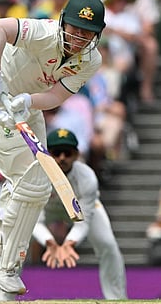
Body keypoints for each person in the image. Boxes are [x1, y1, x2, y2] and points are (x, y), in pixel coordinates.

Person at [0, 0, 106, 300]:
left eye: (87, 33)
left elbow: (55, 97)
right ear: (62, 23)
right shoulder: (42, 32)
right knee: (33, 180)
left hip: (23, 109)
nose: (79, 37)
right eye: (74, 28)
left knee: (37, 186)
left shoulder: (91, 60)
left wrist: (28, 100)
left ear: (97, 34)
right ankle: (6, 266)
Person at [32, 128, 126, 299]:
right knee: (14, 244)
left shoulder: (87, 177)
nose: (62, 158)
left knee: (108, 245)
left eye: (67, 153)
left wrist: (69, 243)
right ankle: (2, 299)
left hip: (81, 211)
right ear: (47, 154)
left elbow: (83, 221)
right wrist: (49, 242)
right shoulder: (35, 176)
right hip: (46, 210)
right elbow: (34, 222)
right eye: (56, 152)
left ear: (76, 154)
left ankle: (117, 299)